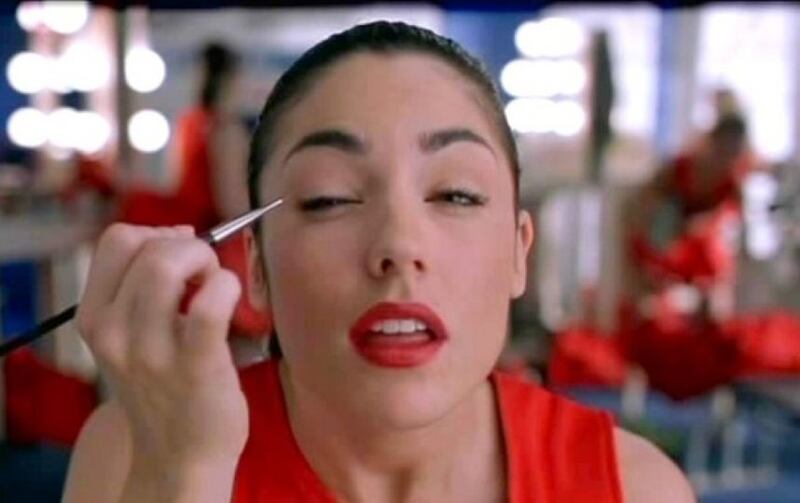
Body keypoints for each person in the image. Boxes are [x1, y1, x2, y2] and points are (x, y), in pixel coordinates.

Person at [62, 21, 694, 502]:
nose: (399, 245)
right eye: (329, 198)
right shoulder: (140, 452)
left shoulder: (633, 489)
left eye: (456, 194)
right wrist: (183, 477)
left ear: (517, 253)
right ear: (255, 267)